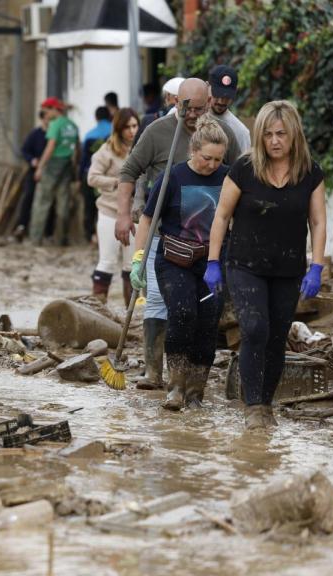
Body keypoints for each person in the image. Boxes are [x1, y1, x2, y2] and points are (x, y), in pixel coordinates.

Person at [206, 100, 328, 430]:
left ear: (294, 136)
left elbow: (317, 222)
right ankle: (254, 405)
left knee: (276, 337)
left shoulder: (310, 173)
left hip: (288, 269)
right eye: (269, 134)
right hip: (245, 264)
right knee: (255, 329)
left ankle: (267, 402)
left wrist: (317, 266)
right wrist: (213, 261)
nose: (275, 141)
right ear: (260, 135)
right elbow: (221, 215)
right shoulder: (244, 169)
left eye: (282, 134)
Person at [116, 78, 241, 390]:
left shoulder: (220, 134)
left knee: (201, 310)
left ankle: (190, 379)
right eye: (188, 108)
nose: (195, 114)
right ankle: (153, 371)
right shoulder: (158, 131)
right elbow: (130, 171)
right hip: (164, 231)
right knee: (158, 300)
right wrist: (123, 215)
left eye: (201, 108)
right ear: (176, 102)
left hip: (208, 240)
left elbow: (238, 175)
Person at [131, 115, 229, 411]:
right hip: (174, 259)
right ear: (192, 150)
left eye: (218, 159)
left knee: (209, 322)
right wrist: (138, 259)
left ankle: (196, 392)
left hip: (211, 261)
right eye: (206, 158)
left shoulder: (228, 177)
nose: (212, 165)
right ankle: (175, 386)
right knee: (183, 313)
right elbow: (148, 219)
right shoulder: (172, 177)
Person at [87, 107, 139, 304]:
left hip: (135, 214)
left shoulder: (141, 148)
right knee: (107, 261)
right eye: (127, 127)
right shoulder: (106, 151)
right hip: (110, 211)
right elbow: (91, 178)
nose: (132, 131)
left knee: (133, 264)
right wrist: (116, 182)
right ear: (118, 129)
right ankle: (97, 309)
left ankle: (131, 314)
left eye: (135, 126)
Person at [30, 97, 80, 246]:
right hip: (66, 166)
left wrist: (40, 167)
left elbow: (50, 147)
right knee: (63, 203)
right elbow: (77, 149)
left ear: (52, 109)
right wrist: (74, 168)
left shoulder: (55, 125)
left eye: (46, 111)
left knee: (42, 202)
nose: (45, 115)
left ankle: (35, 239)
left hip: (52, 165)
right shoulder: (72, 125)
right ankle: (61, 239)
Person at [14, 110, 50, 240]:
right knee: (28, 196)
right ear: (42, 119)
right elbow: (24, 150)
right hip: (34, 171)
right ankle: (22, 226)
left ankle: (48, 232)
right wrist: (32, 160)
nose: (49, 121)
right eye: (47, 118)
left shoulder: (54, 135)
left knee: (48, 201)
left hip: (51, 172)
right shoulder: (35, 134)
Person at [79, 106, 113, 240]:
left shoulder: (89, 135)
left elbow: (83, 160)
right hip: (110, 176)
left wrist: (79, 176)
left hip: (91, 175)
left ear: (96, 118)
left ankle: (90, 234)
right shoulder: (114, 132)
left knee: (89, 205)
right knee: (106, 206)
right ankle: (103, 235)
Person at [209, 65, 251, 153]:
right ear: (208, 86)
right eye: (217, 94)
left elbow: (244, 165)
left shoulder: (240, 132)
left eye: (227, 97)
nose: (221, 101)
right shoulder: (188, 115)